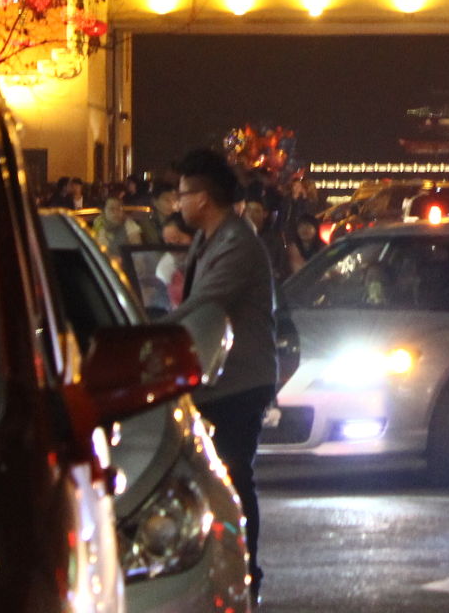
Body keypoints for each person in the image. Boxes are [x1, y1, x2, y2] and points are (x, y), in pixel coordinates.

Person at [169, 148, 280, 596]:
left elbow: (202, 303)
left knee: (234, 479)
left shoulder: (236, 243)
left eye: (183, 194)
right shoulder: (209, 239)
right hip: (216, 379)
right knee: (218, 482)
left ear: (203, 198)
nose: (178, 203)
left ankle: (246, 577)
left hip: (239, 381)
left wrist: (150, 331)